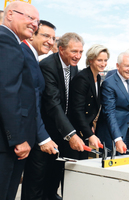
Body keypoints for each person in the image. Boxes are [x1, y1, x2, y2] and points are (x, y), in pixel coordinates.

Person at [39, 32, 86, 200]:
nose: (78, 56)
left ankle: (52, 195)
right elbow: (53, 104)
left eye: (81, 52)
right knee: (41, 174)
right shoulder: (48, 66)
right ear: (61, 49)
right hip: (47, 129)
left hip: (63, 128)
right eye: (74, 51)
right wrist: (70, 134)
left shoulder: (73, 67)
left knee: (56, 170)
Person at [0, 2, 39, 199]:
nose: (34, 24)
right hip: (7, 145)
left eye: (37, 21)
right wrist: (17, 138)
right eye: (29, 18)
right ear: (9, 15)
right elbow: (7, 93)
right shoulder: (6, 41)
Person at [20, 20, 59, 200]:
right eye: (45, 36)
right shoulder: (25, 54)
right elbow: (30, 102)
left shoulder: (33, 57)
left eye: (52, 38)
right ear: (33, 34)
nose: (50, 42)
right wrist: (43, 138)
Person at [68, 44, 109, 159]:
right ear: (90, 60)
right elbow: (77, 110)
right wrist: (89, 134)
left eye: (105, 60)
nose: (103, 63)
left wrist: (90, 126)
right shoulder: (82, 78)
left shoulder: (98, 78)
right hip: (75, 131)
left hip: (84, 129)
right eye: (99, 60)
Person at [96, 52, 129, 153]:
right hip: (112, 134)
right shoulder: (109, 84)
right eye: (126, 66)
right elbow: (109, 113)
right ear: (117, 66)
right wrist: (117, 138)